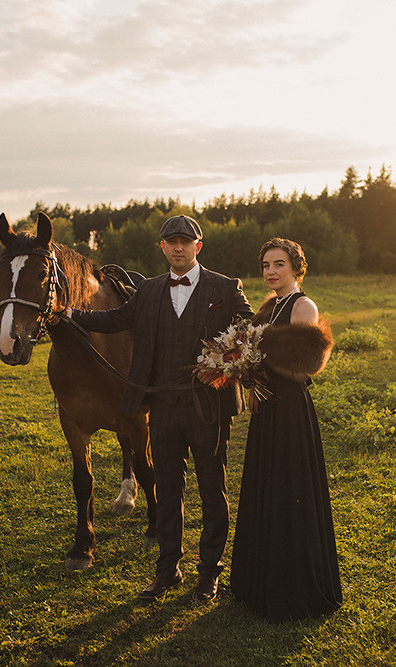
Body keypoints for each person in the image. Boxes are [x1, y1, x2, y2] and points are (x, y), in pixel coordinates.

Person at [69, 214, 254, 601]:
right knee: (167, 489)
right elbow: (115, 319)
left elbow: (249, 333)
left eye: (186, 241)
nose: (178, 247)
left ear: (197, 247)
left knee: (212, 489)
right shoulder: (148, 291)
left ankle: (209, 573)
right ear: (163, 247)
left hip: (209, 406)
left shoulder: (225, 287)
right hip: (163, 407)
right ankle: (168, 569)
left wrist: (223, 364)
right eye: (171, 241)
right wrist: (70, 314)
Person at [229, 237, 342, 622]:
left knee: (289, 489)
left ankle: (292, 588)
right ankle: (258, 583)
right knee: (268, 488)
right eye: (265, 265)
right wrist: (241, 365)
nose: (270, 272)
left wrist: (255, 358)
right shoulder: (269, 307)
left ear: (296, 268)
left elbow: (302, 369)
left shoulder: (301, 305)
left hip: (290, 411)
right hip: (267, 411)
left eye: (278, 264)